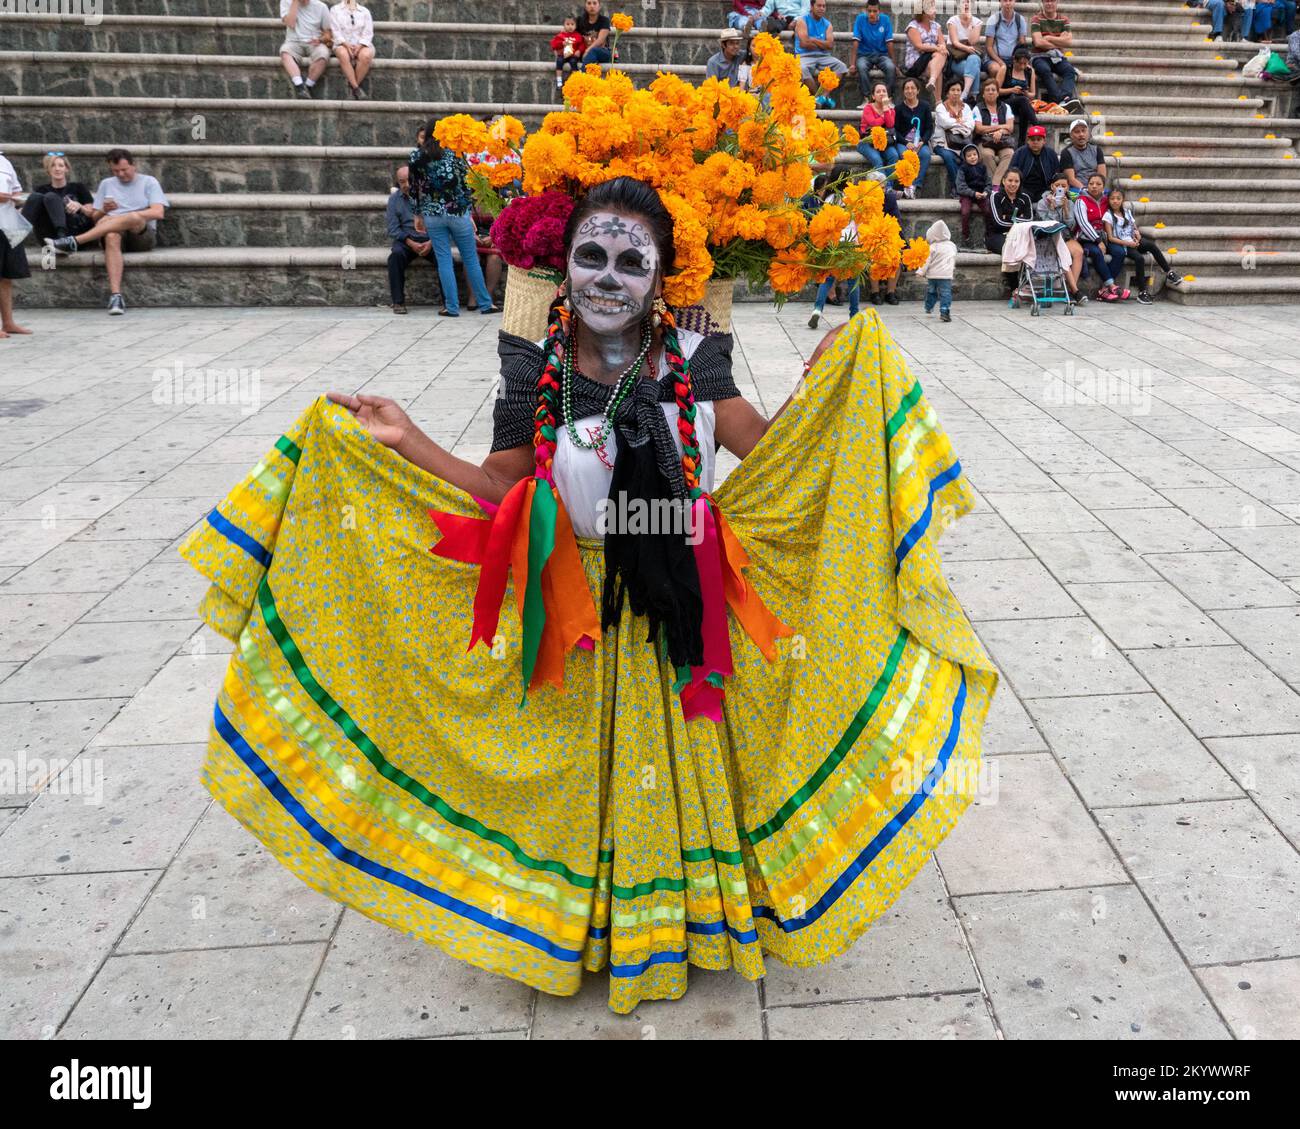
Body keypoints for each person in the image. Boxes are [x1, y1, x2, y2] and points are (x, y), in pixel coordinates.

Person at [181, 173, 995, 1014]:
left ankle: (678, 921)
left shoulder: (693, 359)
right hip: (572, 608)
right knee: (579, 781)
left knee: (684, 772)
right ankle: (583, 921)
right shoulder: (535, 368)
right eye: (591, 255)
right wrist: (407, 439)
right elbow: (502, 485)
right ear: (564, 266)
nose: (608, 276)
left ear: (661, 278)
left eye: (630, 262)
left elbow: (776, 450)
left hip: (681, 601)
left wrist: (834, 384)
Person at [46, 149, 169, 316]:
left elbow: (157, 212)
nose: (120, 174)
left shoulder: (149, 182)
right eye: (115, 171)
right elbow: (96, 218)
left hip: (141, 235)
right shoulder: (107, 184)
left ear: (134, 165)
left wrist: (119, 218)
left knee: (134, 217)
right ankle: (116, 296)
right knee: (111, 235)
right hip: (113, 233)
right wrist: (104, 210)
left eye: (124, 170)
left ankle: (75, 241)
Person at [408, 121, 497, 317]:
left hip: (432, 214)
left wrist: (417, 215)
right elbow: (464, 187)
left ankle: (452, 306)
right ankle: (485, 304)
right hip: (458, 213)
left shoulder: (416, 156)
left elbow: (414, 190)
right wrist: (468, 213)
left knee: (444, 260)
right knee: (471, 258)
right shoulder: (454, 155)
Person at [1103, 185, 1184, 303]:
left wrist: (1137, 235)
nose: (1115, 201)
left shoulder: (1127, 212)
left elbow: (1134, 228)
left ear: (1123, 200)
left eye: (1118, 198)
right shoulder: (1108, 215)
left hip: (1132, 241)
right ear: (1108, 200)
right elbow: (1110, 238)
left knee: (1151, 245)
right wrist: (1128, 244)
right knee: (1139, 258)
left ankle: (1169, 272)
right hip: (1123, 245)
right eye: (1112, 199)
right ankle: (1142, 292)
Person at [386, 165, 435, 315]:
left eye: (409, 180)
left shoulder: (431, 196)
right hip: (406, 240)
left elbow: (442, 223)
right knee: (395, 257)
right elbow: (393, 228)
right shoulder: (394, 199)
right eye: (402, 182)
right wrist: (410, 242)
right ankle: (398, 302)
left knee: (445, 258)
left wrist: (431, 242)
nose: (406, 185)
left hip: (431, 238)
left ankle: (449, 302)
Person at [808, 188, 860, 329]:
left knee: (827, 279)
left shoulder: (829, 198)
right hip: (850, 242)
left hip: (833, 242)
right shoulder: (852, 197)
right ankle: (854, 315)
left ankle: (817, 309)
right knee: (853, 281)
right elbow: (859, 224)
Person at [19, 152, 94, 243]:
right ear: (48, 170)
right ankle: (18, 235)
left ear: (67, 168)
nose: (57, 169)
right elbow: (29, 210)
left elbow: (92, 213)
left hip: (74, 234)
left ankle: (62, 238)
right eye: (53, 166)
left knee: (50, 197)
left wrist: (80, 206)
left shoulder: (78, 187)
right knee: (39, 197)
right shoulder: (41, 190)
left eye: (61, 166)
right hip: (48, 234)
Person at [1035, 171, 1085, 301]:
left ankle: (1069, 288)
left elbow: (1072, 226)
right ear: (1052, 187)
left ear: (1068, 187)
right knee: (1063, 254)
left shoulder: (1070, 203)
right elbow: (1047, 226)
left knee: (1079, 252)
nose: (1060, 188)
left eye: (1064, 186)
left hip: (1065, 236)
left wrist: (1066, 209)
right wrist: (1052, 208)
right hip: (1049, 238)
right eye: (1058, 185)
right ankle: (1075, 291)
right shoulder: (1042, 202)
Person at [0, 147, 32, 340]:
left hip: (8, 224)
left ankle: (9, 322)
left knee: (6, 276)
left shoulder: (5, 162)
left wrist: (16, 198)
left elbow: (16, 189)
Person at [989, 165, 1033, 293]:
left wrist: (1007, 217)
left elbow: (1030, 220)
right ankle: (1015, 287)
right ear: (1003, 181)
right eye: (1010, 180)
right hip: (996, 235)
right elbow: (998, 222)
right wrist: (1019, 219)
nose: (1013, 184)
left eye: (1016, 181)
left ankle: (1027, 283)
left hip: (1019, 234)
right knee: (1011, 246)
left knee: (1028, 247)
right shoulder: (996, 196)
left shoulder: (1025, 198)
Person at [794, 0, 849, 96]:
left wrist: (813, 40)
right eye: (819, 6)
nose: (822, 9)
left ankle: (824, 96)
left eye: (824, 6)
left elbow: (830, 45)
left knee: (842, 67)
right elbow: (804, 43)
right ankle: (817, 97)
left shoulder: (827, 24)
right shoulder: (802, 21)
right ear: (811, 6)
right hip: (804, 55)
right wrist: (823, 44)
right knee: (801, 69)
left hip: (824, 56)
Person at [892, 75, 934, 199]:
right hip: (903, 142)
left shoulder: (925, 106)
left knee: (925, 155)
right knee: (904, 155)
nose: (910, 91)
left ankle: (916, 186)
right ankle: (906, 184)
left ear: (918, 90)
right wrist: (906, 143)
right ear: (903, 91)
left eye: (913, 88)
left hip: (920, 142)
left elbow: (929, 128)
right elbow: (895, 130)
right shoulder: (899, 108)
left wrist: (923, 141)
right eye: (907, 88)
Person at [279, 0, 331, 99]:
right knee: (285, 52)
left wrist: (320, 39)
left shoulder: (321, 6)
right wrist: (295, 2)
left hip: (315, 42)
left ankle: (307, 87)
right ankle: (299, 85)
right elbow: (290, 24)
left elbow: (328, 33)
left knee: (323, 54)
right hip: (293, 41)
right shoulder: (286, 2)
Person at [934, 78, 977, 193]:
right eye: (953, 90)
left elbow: (971, 125)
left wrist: (954, 126)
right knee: (949, 157)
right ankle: (959, 188)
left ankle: (972, 186)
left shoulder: (966, 107)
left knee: (972, 156)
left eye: (958, 90)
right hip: (943, 144)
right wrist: (960, 124)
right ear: (947, 93)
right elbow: (945, 123)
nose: (956, 92)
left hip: (962, 143)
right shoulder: (941, 107)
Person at [1031, 0, 1078, 105]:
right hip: (1039, 56)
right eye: (1046, 1)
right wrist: (1060, 41)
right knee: (1044, 70)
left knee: (1070, 71)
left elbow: (1069, 42)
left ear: (1057, 2)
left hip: (1057, 56)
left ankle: (1064, 97)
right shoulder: (1036, 19)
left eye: (1052, 1)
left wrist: (1048, 38)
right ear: (1043, 3)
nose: (1049, 4)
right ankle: (1060, 99)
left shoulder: (1064, 19)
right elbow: (1038, 43)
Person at [903, 0, 948, 105]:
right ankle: (938, 102)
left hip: (932, 62)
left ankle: (932, 81)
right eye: (932, 8)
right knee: (939, 57)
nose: (935, 11)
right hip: (917, 61)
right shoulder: (913, 26)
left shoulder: (936, 26)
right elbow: (919, 46)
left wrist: (940, 48)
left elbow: (942, 44)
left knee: (939, 58)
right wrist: (936, 48)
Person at [851, 0, 896, 100]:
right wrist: (852, 64)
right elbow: (855, 41)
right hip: (864, 55)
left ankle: (888, 98)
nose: (872, 14)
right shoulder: (860, 19)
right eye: (869, 11)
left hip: (881, 55)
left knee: (890, 67)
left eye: (875, 11)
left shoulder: (885, 20)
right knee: (861, 67)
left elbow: (889, 42)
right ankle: (867, 98)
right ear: (866, 11)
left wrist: (894, 63)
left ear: (879, 11)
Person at [954, 143, 996, 251]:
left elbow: (988, 183)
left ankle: (990, 233)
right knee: (965, 212)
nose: (972, 157)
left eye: (974, 154)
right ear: (965, 158)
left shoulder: (983, 167)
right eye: (969, 156)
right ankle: (966, 236)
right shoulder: (962, 169)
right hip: (967, 195)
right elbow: (960, 186)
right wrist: (972, 193)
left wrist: (986, 192)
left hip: (981, 194)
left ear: (978, 155)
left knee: (988, 210)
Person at [330, 0, 374, 100]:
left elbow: (368, 32)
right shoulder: (335, 10)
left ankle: (354, 88)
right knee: (343, 54)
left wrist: (360, 46)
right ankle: (356, 88)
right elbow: (335, 31)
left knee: (366, 56)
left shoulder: (364, 11)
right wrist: (346, 44)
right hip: (342, 44)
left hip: (362, 45)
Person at [974, 76, 1015, 184]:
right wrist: (1000, 127)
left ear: (997, 93)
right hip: (984, 141)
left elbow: (1010, 127)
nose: (991, 92)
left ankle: (994, 186)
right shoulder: (977, 108)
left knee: (1010, 153)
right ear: (983, 94)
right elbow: (978, 129)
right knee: (986, 155)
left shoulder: (1006, 107)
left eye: (993, 90)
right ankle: (999, 185)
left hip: (1003, 140)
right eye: (987, 90)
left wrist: (1000, 132)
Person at [915, 218, 956, 321]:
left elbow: (926, 261)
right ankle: (944, 311)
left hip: (933, 275)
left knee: (931, 291)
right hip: (946, 275)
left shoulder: (932, 247)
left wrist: (920, 272)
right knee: (945, 293)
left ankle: (928, 307)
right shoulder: (952, 246)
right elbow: (953, 257)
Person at [1009, 123, 1060, 204]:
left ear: (1044, 141)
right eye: (1032, 139)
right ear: (1028, 141)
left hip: (1045, 188)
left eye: (1039, 139)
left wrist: (1053, 190)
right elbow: (1011, 172)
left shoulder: (1051, 154)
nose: (1035, 142)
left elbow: (1057, 175)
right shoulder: (1020, 153)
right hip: (1024, 187)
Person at [999, 44, 1038, 147]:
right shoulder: (1005, 69)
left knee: (1023, 107)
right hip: (1005, 102)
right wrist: (1011, 90)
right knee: (1023, 101)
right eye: (1020, 63)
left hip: (1021, 103)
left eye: (1025, 64)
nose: (1023, 66)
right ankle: (1037, 125)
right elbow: (996, 91)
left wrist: (1026, 93)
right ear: (1014, 60)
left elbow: (1033, 94)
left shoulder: (1030, 71)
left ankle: (1021, 143)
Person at [946, 0, 985, 103]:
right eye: (964, 2)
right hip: (957, 58)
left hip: (971, 57)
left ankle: (965, 93)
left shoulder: (977, 22)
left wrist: (971, 22)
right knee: (975, 69)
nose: (966, 4)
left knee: (974, 58)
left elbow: (973, 41)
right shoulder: (953, 20)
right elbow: (954, 42)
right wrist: (967, 48)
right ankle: (973, 97)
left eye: (969, 2)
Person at [857, 80, 901, 173]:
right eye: (878, 92)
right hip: (866, 141)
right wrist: (884, 115)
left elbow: (890, 125)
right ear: (873, 96)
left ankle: (889, 186)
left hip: (884, 141)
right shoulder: (868, 108)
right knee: (877, 160)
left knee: (894, 156)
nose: (882, 94)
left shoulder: (891, 110)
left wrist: (885, 108)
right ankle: (882, 187)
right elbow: (874, 123)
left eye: (884, 91)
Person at [984, 0, 1029, 87]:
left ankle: (1014, 96)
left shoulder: (1020, 20)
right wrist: (1001, 62)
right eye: (1005, 0)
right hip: (994, 59)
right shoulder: (993, 19)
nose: (1008, 3)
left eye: (1010, 0)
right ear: (1000, 2)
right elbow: (989, 47)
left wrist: (1021, 61)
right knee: (996, 69)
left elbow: (1022, 44)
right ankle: (995, 95)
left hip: (1013, 59)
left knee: (1027, 70)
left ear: (1014, 1)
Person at [1059, 117, 1106, 190]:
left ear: (1088, 133)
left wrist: (1095, 187)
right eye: (1077, 132)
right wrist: (1085, 189)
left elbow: (1102, 175)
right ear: (1071, 135)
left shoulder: (1096, 150)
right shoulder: (1066, 153)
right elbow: (1071, 179)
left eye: (1083, 131)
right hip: (1077, 188)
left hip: (1095, 187)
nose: (1081, 134)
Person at [551, 15, 586, 90]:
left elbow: (582, 44)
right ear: (564, 25)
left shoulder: (578, 36)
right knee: (559, 61)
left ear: (576, 26)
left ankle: (575, 80)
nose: (570, 26)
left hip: (573, 55)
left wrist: (579, 51)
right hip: (563, 54)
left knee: (573, 62)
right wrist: (562, 43)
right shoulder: (561, 35)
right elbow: (554, 44)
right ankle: (559, 81)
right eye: (567, 24)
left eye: (572, 24)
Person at [576, 0, 612, 65]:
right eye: (589, 3)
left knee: (593, 51)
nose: (592, 6)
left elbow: (600, 40)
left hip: (602, 52)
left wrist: (587, 51)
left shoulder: (604, 20)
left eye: (594, 3)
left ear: (599, 6)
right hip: (585, 54)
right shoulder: (579, 20)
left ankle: (582, 73)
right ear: (585, 6)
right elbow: (572, 34)